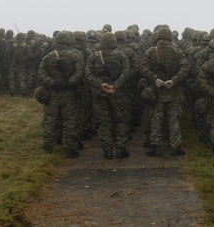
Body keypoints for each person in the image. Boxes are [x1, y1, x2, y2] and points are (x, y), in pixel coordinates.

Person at [141, 26, 189, 157]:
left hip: (156, 91)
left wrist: (154, 79)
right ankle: (175, 146)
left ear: (158, 37)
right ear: (170, 37)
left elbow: (143, 68)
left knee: (156, 118)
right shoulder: (178, 52)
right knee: (173, 118)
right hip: (172, 91)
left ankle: (155, 146)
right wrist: (174, 80)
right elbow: (185, 68)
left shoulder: (151, 51)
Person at [85, 31, 132, 159]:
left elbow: (88, 75)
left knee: (104, 122)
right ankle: (121, 148)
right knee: (121, 120)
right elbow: (126, 72)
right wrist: (115, 86)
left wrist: (100, 85)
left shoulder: (94, 57)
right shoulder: (121, 55)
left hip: (100, 94)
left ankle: (107, 150)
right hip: (118, 94)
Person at [37, 32, 85, 157]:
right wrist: (68, 83)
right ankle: (71, 150)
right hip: (69, 94)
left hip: (52, 94)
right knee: (70, 122)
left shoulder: (48, 57)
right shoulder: (75, 56)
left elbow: (41, 75)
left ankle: (47, 148)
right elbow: (79, 73)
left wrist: (53, 83)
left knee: (50, 121)